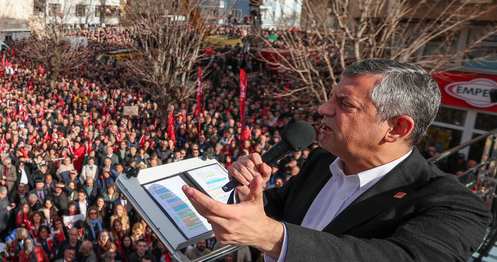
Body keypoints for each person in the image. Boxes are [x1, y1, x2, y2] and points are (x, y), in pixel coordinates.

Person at [184, 59, 492, 261]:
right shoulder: (322, 162)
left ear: (397, 128)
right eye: (331, 97)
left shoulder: (453, 205)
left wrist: (274, 238)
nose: (323, 109)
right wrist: (249, 193)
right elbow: (275, 210)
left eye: (344, 103)